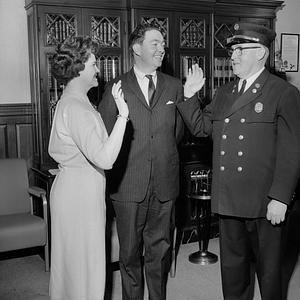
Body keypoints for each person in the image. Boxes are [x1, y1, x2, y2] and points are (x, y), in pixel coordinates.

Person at [177, 22, 300, 300]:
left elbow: (292, 149)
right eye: (232, 50)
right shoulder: (225, 92)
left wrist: (281, 197)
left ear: (261, 53)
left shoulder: (283, 93)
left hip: (264, 203)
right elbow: (202, 129)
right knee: (233, 275)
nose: (233, 56)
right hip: (230, 198)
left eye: (240, 49)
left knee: (270, 277)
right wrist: (189, 96)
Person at [98, 24, 203, 300]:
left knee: (160, 253)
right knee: (130, 256)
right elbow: (106, 137)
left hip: (165, 185)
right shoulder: (116, 87)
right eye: (155, 43)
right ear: (136, 48)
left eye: (163, 44)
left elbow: (178, 131)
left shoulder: (174, 86)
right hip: (128, 186)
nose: (162, 49)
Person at [48, 36, 128, 300]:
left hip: (75, 189)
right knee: (86, 265)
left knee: (74, 265)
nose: (98, 69)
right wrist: (123, 117)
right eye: (94, 63)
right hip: (79, 195)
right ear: (79, 67)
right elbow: (105, 159)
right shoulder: (77, 106)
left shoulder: (70, 101)